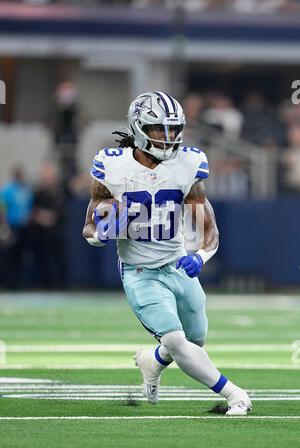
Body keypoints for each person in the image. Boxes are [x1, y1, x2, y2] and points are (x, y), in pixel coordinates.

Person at [83, 91, 252, 416]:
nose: (169, 137)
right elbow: (89, 226)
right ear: (139, 127)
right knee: (176, 342)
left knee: (195, 342)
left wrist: (199, 257)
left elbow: (209, 230)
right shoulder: (112, 165)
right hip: (140, 272)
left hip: (176, 265)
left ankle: (152, 360)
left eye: (173, 129)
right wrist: (101, 235)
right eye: (160, 129)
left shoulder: (187, 164)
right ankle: (236, 394)